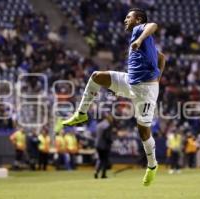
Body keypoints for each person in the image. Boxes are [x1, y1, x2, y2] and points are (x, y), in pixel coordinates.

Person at [62, 8, 166, 186]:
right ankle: (81, 113)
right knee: (96, 76)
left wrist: (140, 40)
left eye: (128, 17)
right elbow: (162, 57)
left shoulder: (140, 30)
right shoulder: (142, 41)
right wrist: (159, 74)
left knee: (143, 131)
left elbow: (154, 25)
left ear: (138, 19)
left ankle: (152, 165)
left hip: (146, 91)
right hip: (131, 82)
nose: (125, 20)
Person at [94, 114, 113, 179]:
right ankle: (103, 174)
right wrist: (111, 141)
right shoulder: (107, 125)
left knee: (100, 159)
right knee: (105, 160)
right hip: (104, 145)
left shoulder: (99, 125)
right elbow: (107, 136)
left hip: (97, 145)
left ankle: (96, 172)